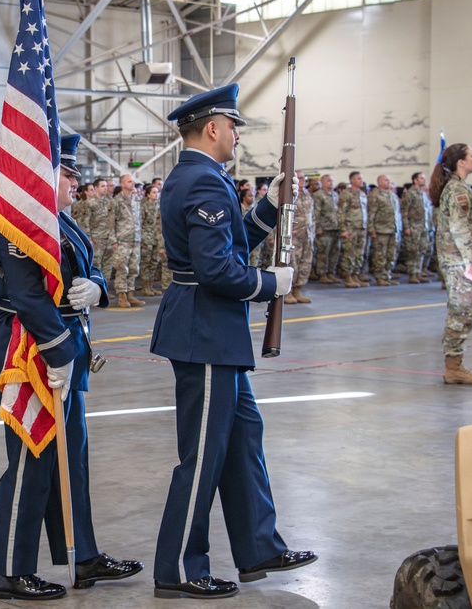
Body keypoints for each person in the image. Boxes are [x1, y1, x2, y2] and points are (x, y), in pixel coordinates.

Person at [149, 83, 316, 600]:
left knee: (243, 441)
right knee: (202, 455)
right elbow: (218, 269)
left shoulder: (202, 177)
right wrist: (273, 284)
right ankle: (178, 567)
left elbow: (232, 241)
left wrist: (269, 204)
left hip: (214, 332)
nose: (239, 135)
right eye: (234, 125)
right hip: (205, 332)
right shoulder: (204, 182)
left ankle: (258, 546)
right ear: (213, 128)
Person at [0, 134, 143, 601]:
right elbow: (28, 296)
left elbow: (87, 269)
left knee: (73, 457)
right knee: (33, 459)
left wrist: (97, 287)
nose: (76, 181)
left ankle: (82, 555)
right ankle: (11, 569)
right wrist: (61, 352)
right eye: (68, 173)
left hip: (63, 348)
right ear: (44, 177)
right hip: (25, 352)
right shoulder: (19, 226)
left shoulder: (64, 224)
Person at [429, 144, 472, 385]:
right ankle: (453, 367)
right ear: (460, 162)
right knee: (461, 314)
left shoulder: (457, 187)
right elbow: (458, 228)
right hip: (459, 261)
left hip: (458, 260)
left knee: (463, 313)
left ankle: (455, 365)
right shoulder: (457, 190)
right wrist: (471, 261)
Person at [109, 173, 145, 307]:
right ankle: (122, 296)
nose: (132, 184)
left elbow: (138, 219)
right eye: (129, 182)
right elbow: (110, 222)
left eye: (133, 182)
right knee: (122, 268)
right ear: (122, 184)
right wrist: (113, 240)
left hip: (135, 239)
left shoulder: (136, 199)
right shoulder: (116, 201)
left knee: (134, 268)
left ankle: (130, 294)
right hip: (122, 239)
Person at [285, 170, 315, 303]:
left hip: (307, 235)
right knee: (293, 264)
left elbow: (312, 215)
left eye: (304, 178)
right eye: (300, 178)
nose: (303, 180)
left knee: (305, 264)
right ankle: (288, 291)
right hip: (294, 235)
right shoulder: (289, 194)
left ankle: (298, 289)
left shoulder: (307, 195)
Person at [367, 174, 402, 286]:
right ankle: (380, 277)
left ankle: (387, 275)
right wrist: (371, 230)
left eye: (390, 180)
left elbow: (397, 213)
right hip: (380, 229)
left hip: (393, 229)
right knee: (380, 255)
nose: (389, 182)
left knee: (391, 254)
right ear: (379, 182)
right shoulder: (375, 195)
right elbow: (371, 213)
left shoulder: (392, 196)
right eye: (386, 180)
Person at [401, 172, 434, 284]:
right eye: (421, 178)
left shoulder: (423, 194)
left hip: (424, 227)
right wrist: (406, 226)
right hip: (413, 226)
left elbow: (428, 212)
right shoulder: (410, 194)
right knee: (413, 252)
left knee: (421, 251)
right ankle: (412, 274)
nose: (423, 180)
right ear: (415, 180)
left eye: (424, 178)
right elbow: (404, 211)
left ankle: (418, 273)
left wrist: (429, 226)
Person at [338, 171, 369, 287]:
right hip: (350, 228)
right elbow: (341, 213)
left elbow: (365, 211)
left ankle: (356, 275)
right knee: (349, 254)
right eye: (358, 178)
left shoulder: (362, 194)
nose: (361, 180)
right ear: (352, 180)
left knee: (359, 254)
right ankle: (348, 277)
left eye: (361, 178)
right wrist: (343, 229)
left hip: (361, 228)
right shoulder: (346, 194)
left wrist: (366, 226)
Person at [313, 174, 342, 284]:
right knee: (323, 252)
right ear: (323, 182)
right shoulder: (318, 195)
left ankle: (331, 272)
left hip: (335, 227)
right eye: (329, 180)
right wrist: (318, 227)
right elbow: (316, 212)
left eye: (332, 181)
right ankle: (322, 274)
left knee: (334, 252)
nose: (331, 182)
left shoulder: (335, 195)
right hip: (325, 228)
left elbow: (339, 212)